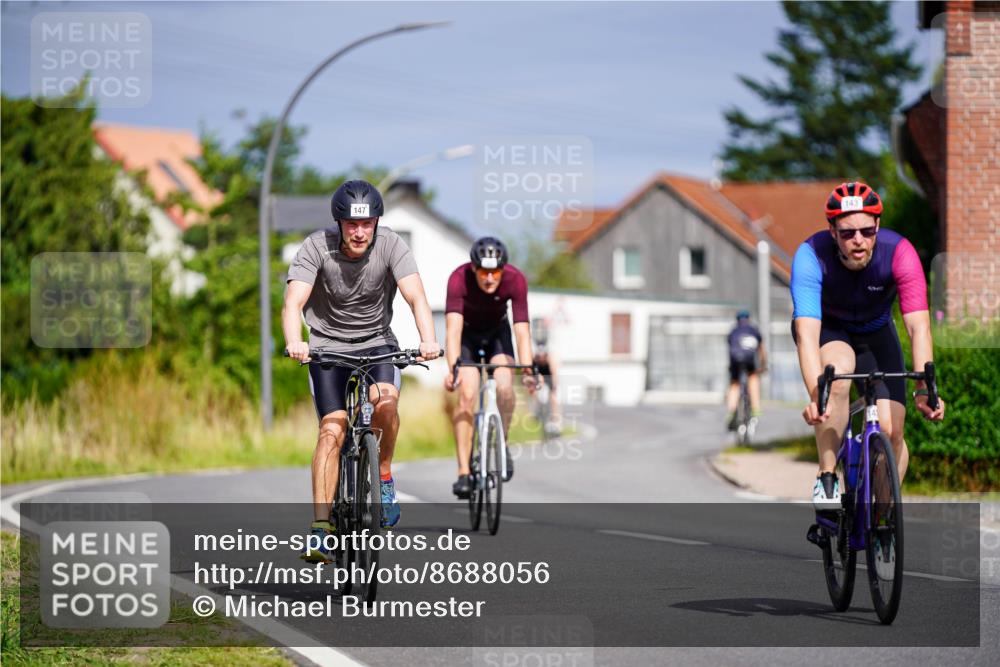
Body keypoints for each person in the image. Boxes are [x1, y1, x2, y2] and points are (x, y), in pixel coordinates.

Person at [283, 179, 441, 563]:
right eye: (352, 225)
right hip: (327, 350)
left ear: (376, 222)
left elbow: (416, 296)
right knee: (331, 431)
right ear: (339, 223)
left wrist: (428, 338)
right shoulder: (315, 247)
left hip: (376, 343)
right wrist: (295, 340)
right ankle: (321, 529)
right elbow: (293, 303)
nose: (359, 231)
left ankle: (383, 477)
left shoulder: (391, 245)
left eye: (367, 223)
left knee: (386, 404)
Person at [790, 181, 944, 510]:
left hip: (877, 334)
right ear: (832, 232)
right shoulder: (810, 255)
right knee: (839, 376)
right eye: (847, 233)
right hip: (833, 332)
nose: (858, 240)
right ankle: (828, 475)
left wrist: (924, 387)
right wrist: (819, 398)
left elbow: (919, 326)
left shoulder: (900, 252)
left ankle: (883, 517)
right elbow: (806, 333)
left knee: (892, 430)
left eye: (866, 231)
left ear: (877, 226)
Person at [443, 236, 536, 499]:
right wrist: (453, 369)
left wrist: (528, 369)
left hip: (497, 335)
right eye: (484, 272)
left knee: (505, 386)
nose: (489, 278)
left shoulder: (515, 280)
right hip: (467, 337)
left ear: (503, 269)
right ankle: (463, 472)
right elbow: (452, 331)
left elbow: (521, 330)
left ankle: (501, 444)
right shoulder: (458, 279)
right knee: (467, 395)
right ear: (474, 268)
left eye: (495, 272)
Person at [724, 309, 767, 432]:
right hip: (749, 360)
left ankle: (732, 411)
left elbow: (730, 349)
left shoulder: (733, 331)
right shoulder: (754, 330)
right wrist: (763, 365)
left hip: (735, 359)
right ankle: (756, 408)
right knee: (753, 377)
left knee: (735, 383)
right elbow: (761, 350)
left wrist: (730, 367)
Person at [531, 317, 562, 437]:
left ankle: (557, 421)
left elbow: (554, 369)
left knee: (553, 395)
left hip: (549, 367)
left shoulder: (551, 347)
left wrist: (554, 385)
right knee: (533, 389)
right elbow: (530, 364)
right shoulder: (533, 341)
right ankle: (537, 409)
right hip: (538, 367)